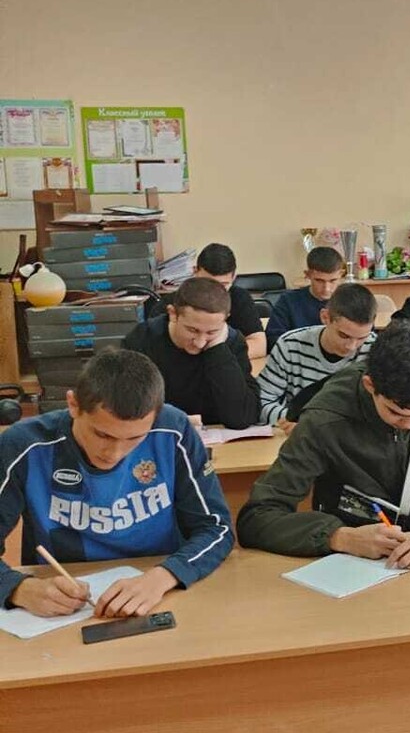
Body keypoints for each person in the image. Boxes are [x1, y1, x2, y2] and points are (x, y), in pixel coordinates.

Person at [237, 320, 410, 569]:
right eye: (396, 412)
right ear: (370, 385)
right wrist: (339, 537)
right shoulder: (325, 419)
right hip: (356, 558)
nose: (409, 424)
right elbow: (257, 517)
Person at [0, 348, 233, 619]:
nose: (114, 453)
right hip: (62, 601)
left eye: (135, 438)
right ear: (73, 405)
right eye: (102, 435)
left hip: (156, 590)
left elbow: (216, 528)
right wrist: (17, 588)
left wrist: (165, 576)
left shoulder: (174, 430)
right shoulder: (23, 445)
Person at [123, 276, 260, 429]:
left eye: (211, 332)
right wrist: (174, 420)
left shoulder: (233, 343)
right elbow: (128, 407)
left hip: (217, 435)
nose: (200, 342)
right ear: (173, 314)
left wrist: (217, 349)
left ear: (225, 320)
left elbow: (243, 417)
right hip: (161, 432)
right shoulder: (142, 340)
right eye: (192, 330)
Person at [257, 282, 376, 427]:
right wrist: (294, 421)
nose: (352, 346)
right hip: (297, 432)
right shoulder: (290, 345)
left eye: (362, 338)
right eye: (344, 335)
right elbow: (261, 401)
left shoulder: (375, 350)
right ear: (325, 317)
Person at [194, 242, 267, 360]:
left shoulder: (240, 298)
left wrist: (217, 356)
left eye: (223, 285)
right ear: (195, 272)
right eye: (208, 283)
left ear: (233, 278)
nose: (214, 291)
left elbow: (259, 346)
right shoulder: (178, 300)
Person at [265, 246, 346, 348]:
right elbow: (273, 339)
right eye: (319, 280)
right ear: (308, 275)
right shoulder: (288, 301)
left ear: (341, 274)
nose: (327, 288)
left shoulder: (350, 301)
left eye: (333, 280)